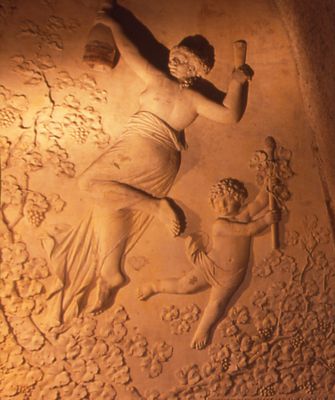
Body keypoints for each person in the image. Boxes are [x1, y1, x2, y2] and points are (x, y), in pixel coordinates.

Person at [44, 3, 252, 327]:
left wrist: (113, 23)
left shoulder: (164, 83)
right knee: (112, 202)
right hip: (161, 160)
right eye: (175, 53)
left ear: (194, 69)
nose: (173, 59)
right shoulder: (194, 99)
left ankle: (156, 208)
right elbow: (231, 113)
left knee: (90, 185)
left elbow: (132, 50)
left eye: (181, 59)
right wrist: (238, 85)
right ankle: (111, 271)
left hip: (143, 147)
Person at [137, 178, 279, 349]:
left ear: (239, 199)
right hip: (211, 266)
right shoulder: (220, 225)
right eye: (218, 203)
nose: (223, 206)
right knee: (184, 285)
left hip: (232, 275)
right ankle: (155, 286)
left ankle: (204, 329)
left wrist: (269, 182)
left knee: (218, 304)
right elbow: (247, 231)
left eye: (228, 200)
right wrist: (265, 221)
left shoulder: (244, 216)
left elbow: (260, 201)